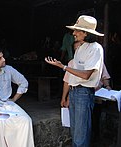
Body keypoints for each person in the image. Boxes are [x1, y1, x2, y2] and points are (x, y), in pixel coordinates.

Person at [45, 15, 104, 147]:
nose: (74, 33)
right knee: (75, 132)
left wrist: (64, 67)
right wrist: (68, 96)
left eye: (77, 30)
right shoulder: (80, 48)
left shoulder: (96, 48)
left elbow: (86, 75)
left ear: (86, 33)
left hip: (84, 93)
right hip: (75, 92)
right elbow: (73, 77)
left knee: (81, 134)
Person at [0, 47, 34, 147]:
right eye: (0, 58)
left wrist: (14, 99)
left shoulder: (8, 69)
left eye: (3, 56)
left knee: (25, 120)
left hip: (7, 103)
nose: (4, 59)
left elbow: (23, 82)